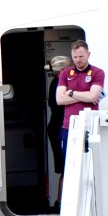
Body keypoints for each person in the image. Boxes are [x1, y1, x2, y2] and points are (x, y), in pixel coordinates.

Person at [56, 40, 105, 167]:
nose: (78, 60)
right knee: (69, 164)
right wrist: (85, 96)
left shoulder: (97, 72)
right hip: (69, 127)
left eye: (81, 56)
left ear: (88, 54)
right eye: (75, 57)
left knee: (90, 165)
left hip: (90, 126)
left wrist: (71, 92)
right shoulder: (65, 73)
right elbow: (59, 100)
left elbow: (93, 96)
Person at [47, 55, 72, 204]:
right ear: (61, 70)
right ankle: (60, 202)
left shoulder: (57, 83)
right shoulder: (58, 85)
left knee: (66, 167)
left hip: (56, 128)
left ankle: (60, 201)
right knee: (66, 167)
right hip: (59, 129)